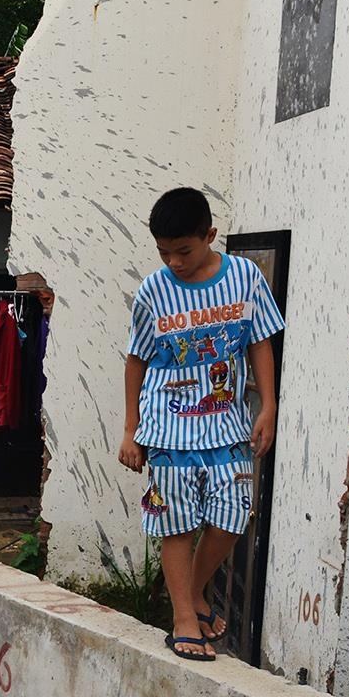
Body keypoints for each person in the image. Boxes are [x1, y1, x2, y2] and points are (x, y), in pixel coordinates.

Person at [118, 187, 283, 662]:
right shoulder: (154, 290)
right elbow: (136, 361)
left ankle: (190, 592)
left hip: (227, 423)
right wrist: (130, 430)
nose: (173, 262)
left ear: (210, 235)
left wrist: (267, 406)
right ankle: (184, 618)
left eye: (184, 251)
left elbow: (259, 344)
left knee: (233, 514)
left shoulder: (245, 278)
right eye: (163, 252)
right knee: (176, 525)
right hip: (167, 427)